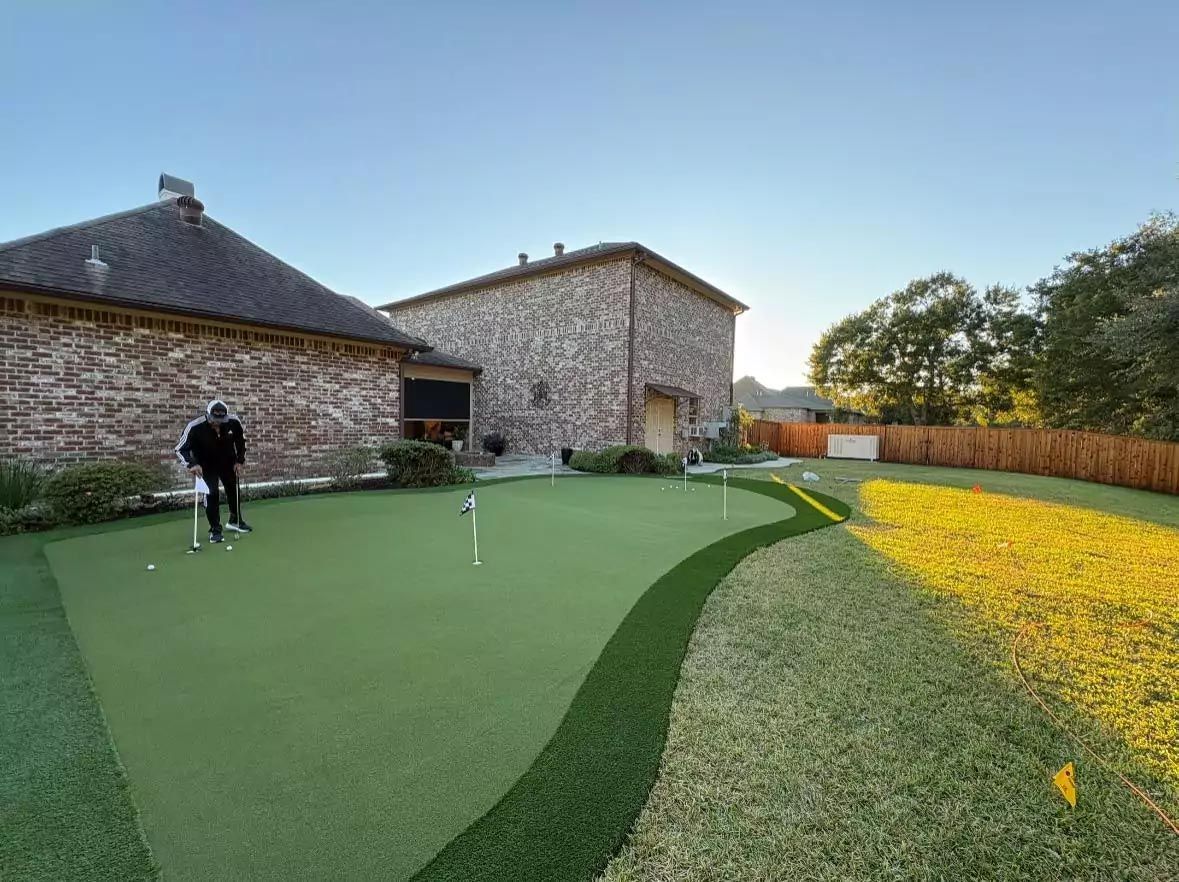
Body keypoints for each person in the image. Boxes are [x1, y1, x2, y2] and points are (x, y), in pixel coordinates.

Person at [175, 399, 252, 543]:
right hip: (206, 466)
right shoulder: (195, 427)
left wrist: (239, 461)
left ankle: (235, 521)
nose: (217, 423)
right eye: (214, 419)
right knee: (212, 494)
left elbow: (241, 442)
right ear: (208, 415)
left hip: (228, 463)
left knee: (233, 491)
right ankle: (215, 529)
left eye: (221, 419)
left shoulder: (233, 422)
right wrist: (192, 464)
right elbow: (180, 449)